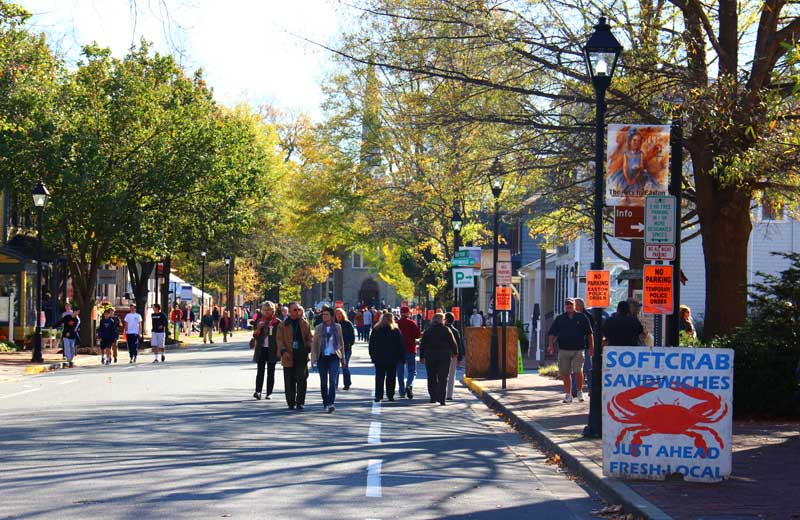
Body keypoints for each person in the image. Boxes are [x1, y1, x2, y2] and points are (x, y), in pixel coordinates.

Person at [548, 298, 593, 403]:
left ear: (574, 306)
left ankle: (579, 392)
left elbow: (589, 334)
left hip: (578, 349)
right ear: (565, 306)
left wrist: (591, 347)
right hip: (564, 349)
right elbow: (552, 333)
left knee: (578, 371)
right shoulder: (560, 319)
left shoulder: (582, 317)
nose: (569, 306)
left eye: (571, 304)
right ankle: (568, 395)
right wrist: (551, 345)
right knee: (566, 373)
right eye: (567, 305)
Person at [277, 302, 313, 410]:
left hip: (301, 354)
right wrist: (283, 351)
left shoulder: (304, 323)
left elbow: (309, 337)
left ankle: (300, 401)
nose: (297, 312)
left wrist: (308, 347)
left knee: (302, 379)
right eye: (294, 310)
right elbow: (279, 339)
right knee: (289, 380)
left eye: (298, 310)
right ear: (289, 311)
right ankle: (291, 402)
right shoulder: (283, 324)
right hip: (288, 355)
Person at [419, 313, 458, 405]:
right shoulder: (446, 330)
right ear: (442, 320)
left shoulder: (428, 331)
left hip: (430, 355)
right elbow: (453, 343)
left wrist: (421, 356)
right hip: (444, 356)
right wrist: (455, 353)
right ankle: (442, 398)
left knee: (431, 376)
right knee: (443, 377)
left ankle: (433, 397)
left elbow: (423, 344)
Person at [311, 307, 345, 412]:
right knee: (323, 382)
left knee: (332, 380)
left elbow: (341, 343)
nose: (324, 316)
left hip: (334, 356)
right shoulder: (319, 328)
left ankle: (331, 402)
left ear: (331, 316)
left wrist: (343, 359)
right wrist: (313, 359)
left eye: (326, 314)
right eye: (323, 315)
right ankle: (325, 401)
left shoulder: (338, 327)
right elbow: (315, 344)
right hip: (322, 357)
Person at [368, 312, 405, 402]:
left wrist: (372, 356)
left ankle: (378, 395)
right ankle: (390, 395)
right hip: (392, 358)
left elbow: (371, 344)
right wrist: (401, 357)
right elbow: (400, 345)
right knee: (391, 377)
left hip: (379, 357)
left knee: (379, 377)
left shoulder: (376, 329)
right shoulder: (395, 330)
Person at [253, 303, 281, 400]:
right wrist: (258, 328)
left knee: (271, 372)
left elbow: (280, 337)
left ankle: (269, 393)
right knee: (260, 371)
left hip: (272, 349)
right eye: (264, 310)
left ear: (272, 311)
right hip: (261, 349)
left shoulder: (277, 322)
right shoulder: (259, 321)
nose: (266, 312)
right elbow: (255, 336)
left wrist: (279, 350)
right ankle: (258, 391)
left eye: (268, 310)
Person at [573, 298, 596, 397]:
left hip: (585, 346)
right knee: (576, 369)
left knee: (588, 368)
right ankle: (575, 389)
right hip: (575, 347)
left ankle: (591, 390)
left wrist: (591, 346)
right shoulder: (572, 316)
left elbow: (591, 333)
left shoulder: (587, 316)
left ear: (579, 306)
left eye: (575, 305)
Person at [396, 306, 421, 399]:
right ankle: (409, 385)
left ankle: (401, 391)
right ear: (408, 313)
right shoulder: (412, 323)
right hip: (410, 349)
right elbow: (417, 335)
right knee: (412, 371)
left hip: (399, 351)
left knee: (400, 371)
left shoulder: (396, 324)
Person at [444, 312, 465, 401]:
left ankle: (441, 392)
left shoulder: (442, 330)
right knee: (452, 375)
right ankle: (449, 394)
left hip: (443, 354)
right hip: (453, 355)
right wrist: (460, 357)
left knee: (441, 374)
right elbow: (459, 345)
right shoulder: (455, 331)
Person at [334, 308, 356, 391]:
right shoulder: (333, 324)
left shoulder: (347, 324)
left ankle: (347, 383)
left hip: (346, 349)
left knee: (344, 366)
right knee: (335, 367)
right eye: (337, 314)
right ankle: (334, 384)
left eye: (340, 314)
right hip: (335, 349)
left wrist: (349, 344)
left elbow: (352, 336)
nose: (338, 315)